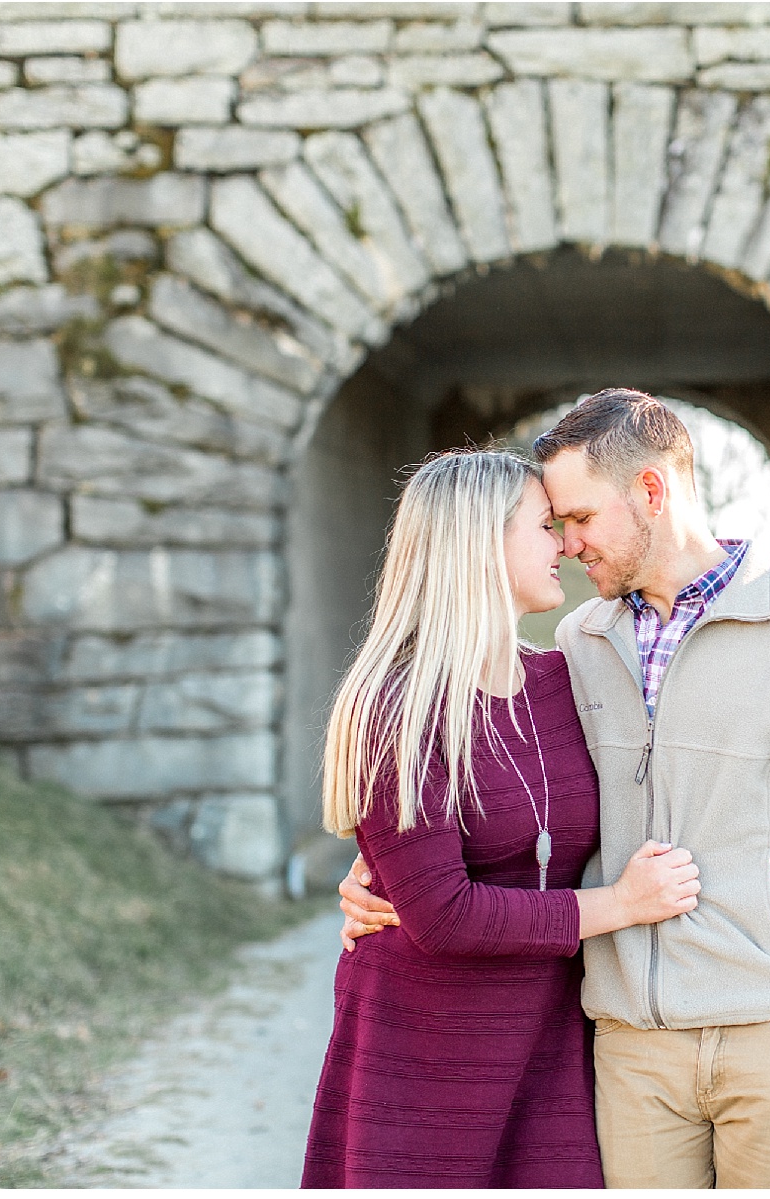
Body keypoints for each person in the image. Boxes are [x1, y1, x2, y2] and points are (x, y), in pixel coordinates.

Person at [341, 390, 770, 1188]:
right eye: (551, 524)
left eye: (576, 517)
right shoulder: (581, 645)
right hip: (625, 1044)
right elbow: (487, 791)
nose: (568, 542)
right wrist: (386, 869)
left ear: (650, 492)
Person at [300, 449, 701, 1189]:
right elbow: (442, 915)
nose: (566, 544)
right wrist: (621, 905)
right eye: (545, 525)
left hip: (548, 1042)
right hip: (423, 1049)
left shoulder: (563, 680)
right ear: (481, 541)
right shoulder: (393, 706)